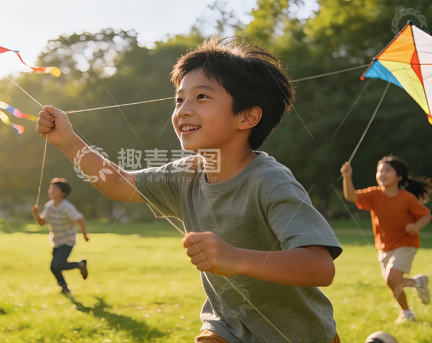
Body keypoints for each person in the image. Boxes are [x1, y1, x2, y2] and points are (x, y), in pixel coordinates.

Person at [36, 37, 342, 342]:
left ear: (247, 116)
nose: (182, 110)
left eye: (201, 97)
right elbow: (117, 183)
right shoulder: (186, 175)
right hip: (226, 329)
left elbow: (320, 267)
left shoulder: (271, 182)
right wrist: (67, 140)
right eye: (179, 99)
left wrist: (235, 258)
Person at [340, 155, 432, 324]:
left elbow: (426, 215)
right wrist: (347, 176)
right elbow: (351, 197)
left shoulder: (406, 198)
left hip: (406, 244)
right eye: (379, 171)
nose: (382, 174)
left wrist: (416, 226)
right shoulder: (374, 194)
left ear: (399, 177)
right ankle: (409, 305)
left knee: (392, 278)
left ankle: (408, 309)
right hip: (384, 246)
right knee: (392, 282)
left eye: (387, 171)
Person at [31, 177, 90, 295]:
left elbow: (80, 219)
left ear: (63, 193)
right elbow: (42, 222)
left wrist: (84, 234)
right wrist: (36, 214)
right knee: (54, 267)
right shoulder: (49, 206)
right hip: (56, 240)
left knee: (57, 265)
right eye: (51, 188)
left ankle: (79, 266)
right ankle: (65, 287)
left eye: (55, 189)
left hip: (68, 240)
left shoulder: (67, 207)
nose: (51, 191)